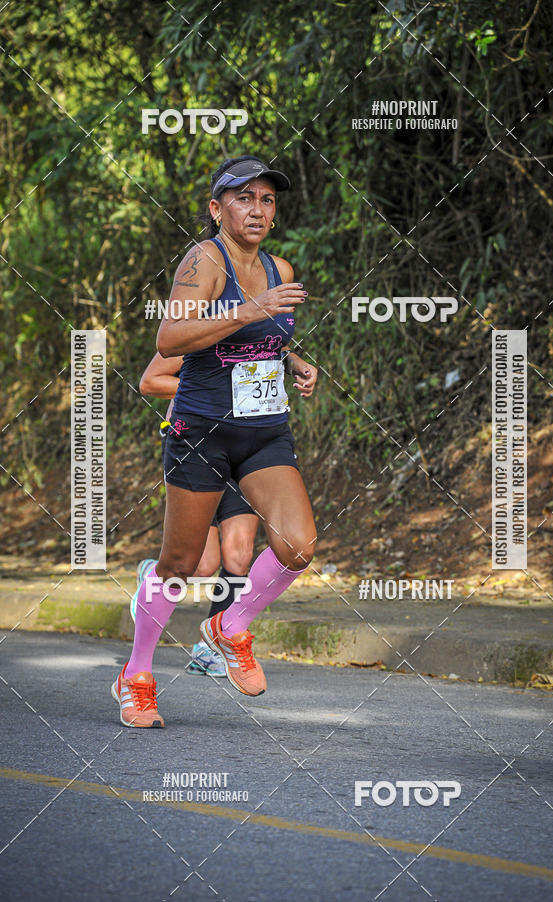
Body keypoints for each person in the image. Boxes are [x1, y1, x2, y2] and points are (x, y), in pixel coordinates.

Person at [112, 154, 318, 727]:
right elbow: (171, 335)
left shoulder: (279, 267)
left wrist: (293, 361)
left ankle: (229, 624)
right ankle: (138, 674)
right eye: (244, 198)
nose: (257, 209)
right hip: (201, 431)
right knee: (181, 562)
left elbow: (262, 341)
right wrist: (248, 308)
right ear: (216, 208)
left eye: (267, 199)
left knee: (298, 545)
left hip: (263, 432)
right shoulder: (205, 259)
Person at [131, 351, 260, 678]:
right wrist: (211, 391)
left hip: (250, 441)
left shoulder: (262, 325)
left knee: (240, 553)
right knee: (200, 564)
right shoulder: (195, 326)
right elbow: (150, 381)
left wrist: (298, 366)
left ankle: (211, 647)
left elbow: (278, 355)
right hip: (196, 441)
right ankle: (154, 574)